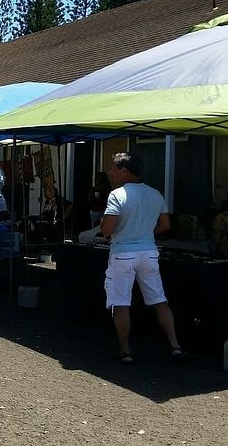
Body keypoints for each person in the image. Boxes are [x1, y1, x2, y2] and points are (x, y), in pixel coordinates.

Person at [100, 152, 186, 364]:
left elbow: (107, 230)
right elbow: (165, 225)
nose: (110, 172)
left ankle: (125, 349)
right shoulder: (155, 194)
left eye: (113, 168)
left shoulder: (117, 194)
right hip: (148, 251)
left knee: (121, 303)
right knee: (159, 300)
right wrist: (145, 231)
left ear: (124, 171)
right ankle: (174, 344)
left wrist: (117, 229)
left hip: (123, 252)